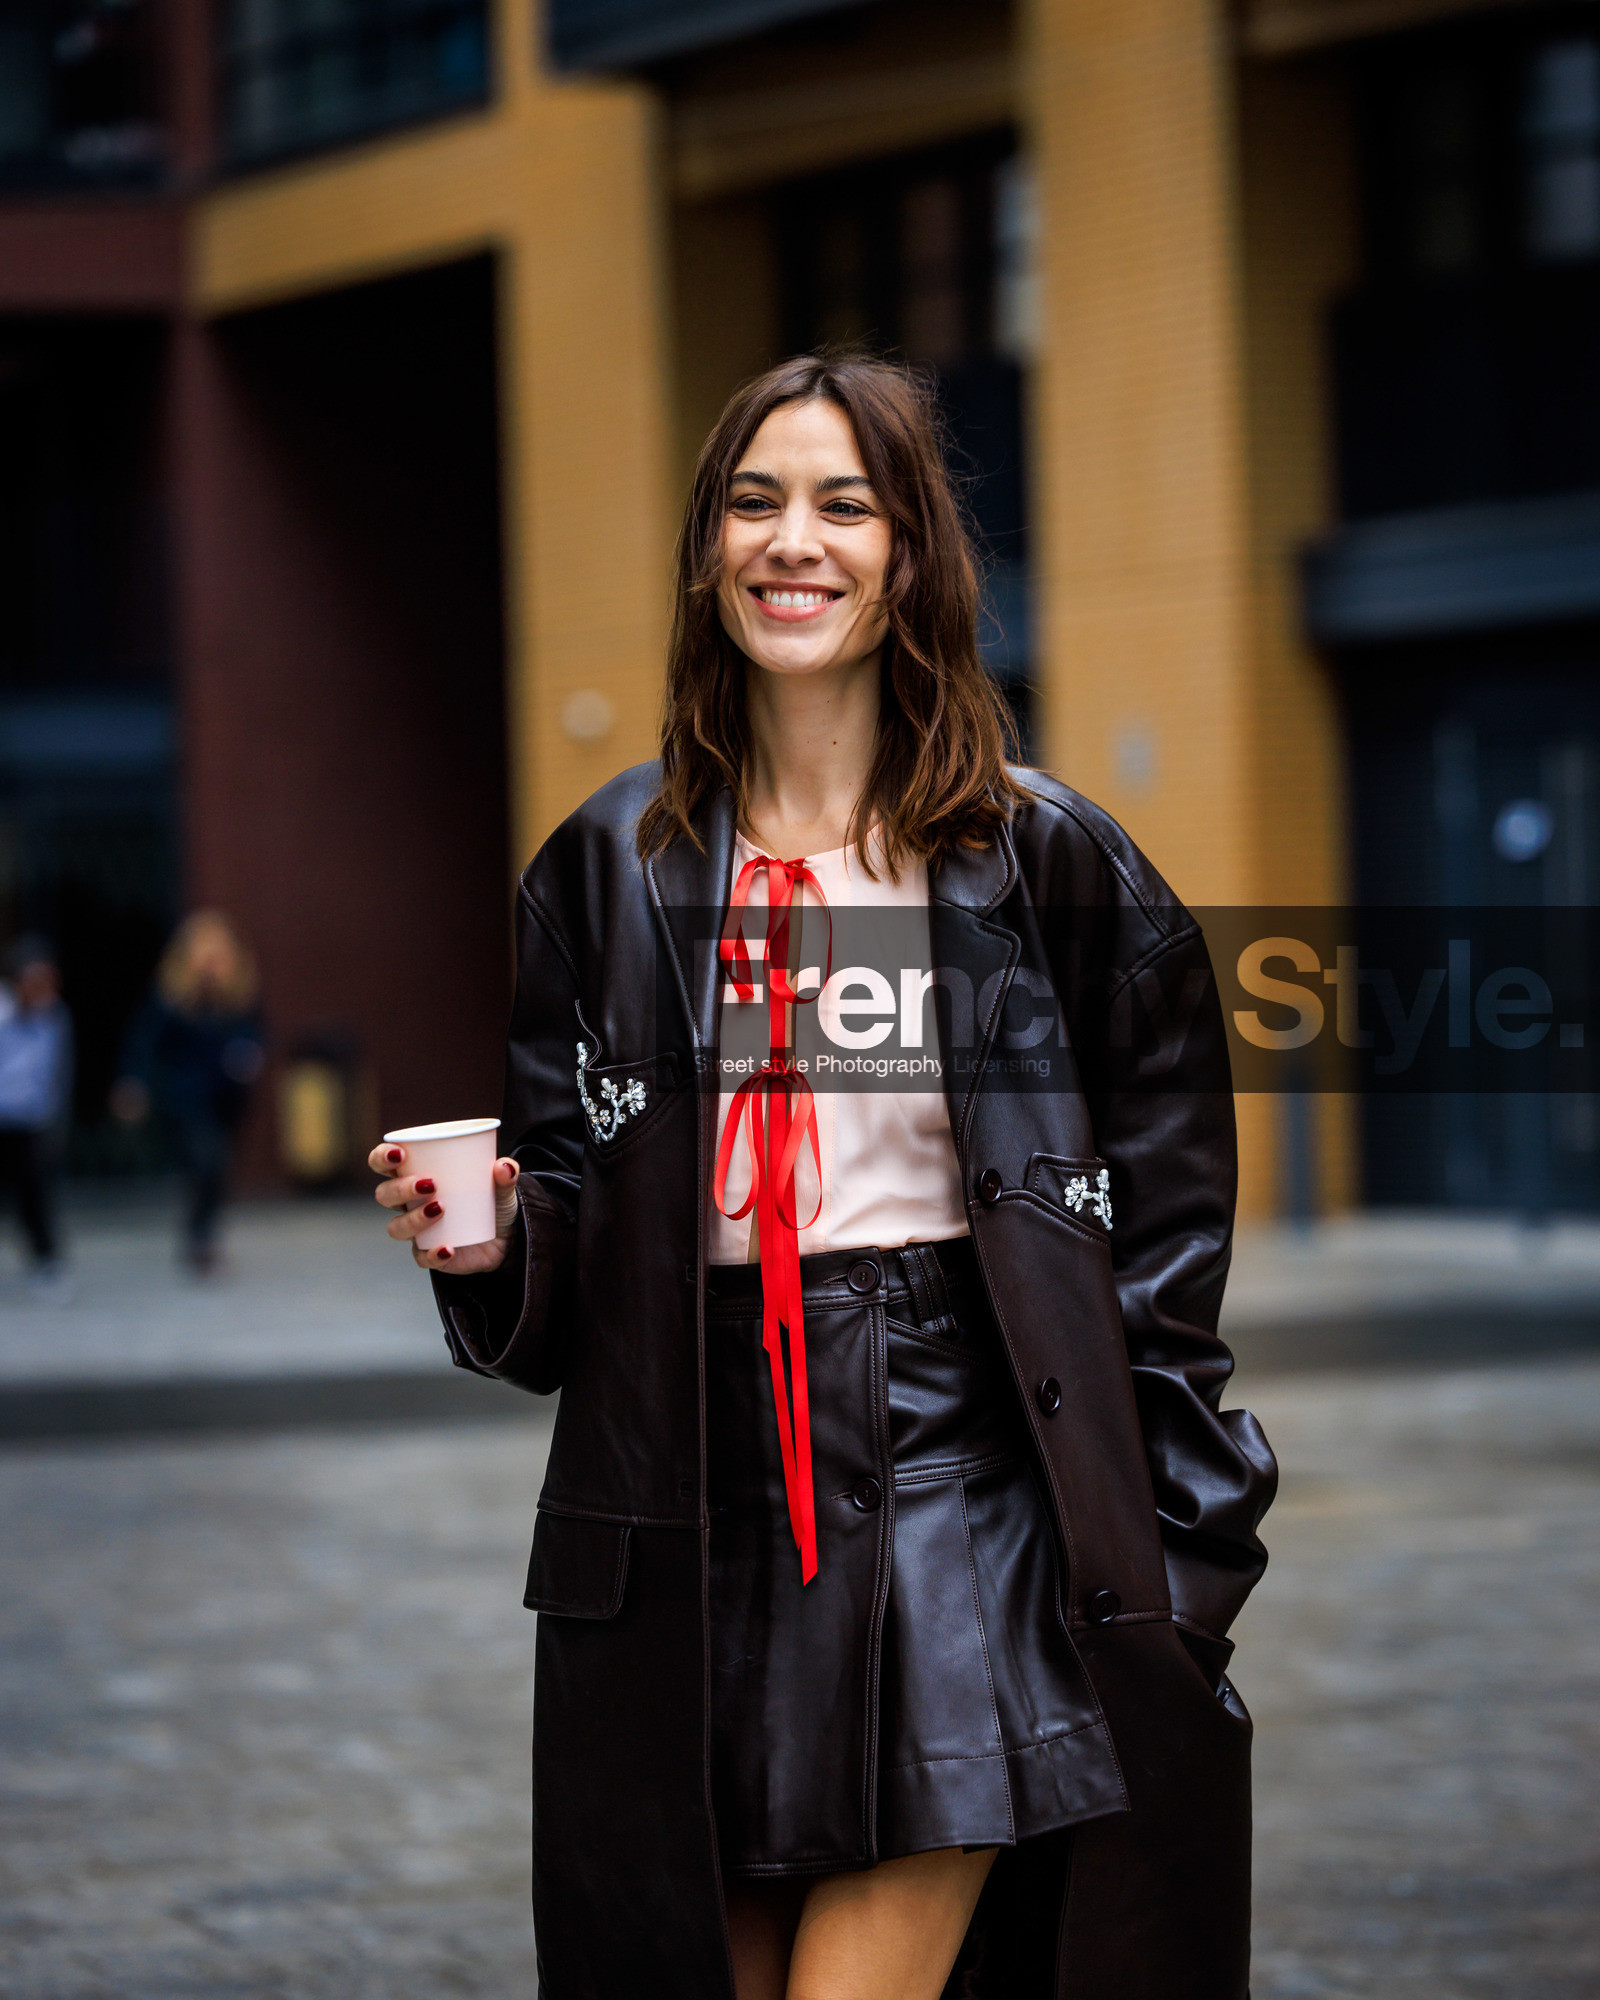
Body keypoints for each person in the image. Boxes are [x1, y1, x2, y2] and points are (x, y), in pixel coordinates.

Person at [371, 355, 1276, 2000]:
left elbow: (1165, 1238)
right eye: (755, 501)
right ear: (708, 552)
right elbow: (564, 1285)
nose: (796, 541)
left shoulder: (1050, 862)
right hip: (689, 1507)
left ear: (913, 555)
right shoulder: (607, 867)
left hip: (969, 1479)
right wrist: (484, 1246)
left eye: (846, 505)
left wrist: (1188, 1552)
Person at [112, 911, 264, 1273]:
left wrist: (248, 1057)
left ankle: (204, 1233)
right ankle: (199, 1237)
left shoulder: (239, 996)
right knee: (203, 1161)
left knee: (217, 1167)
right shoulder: (171, 997)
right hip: (184, 1098)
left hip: (227, 1099)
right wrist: (133, 1082)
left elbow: (255, 1035)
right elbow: (144, 1041)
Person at [0, 935, 74, 1299]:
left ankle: (47, 1264)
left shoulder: (55, 1015)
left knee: (35, 1194)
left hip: (32, 1119)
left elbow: (59, 1069)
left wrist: (55, 1116)